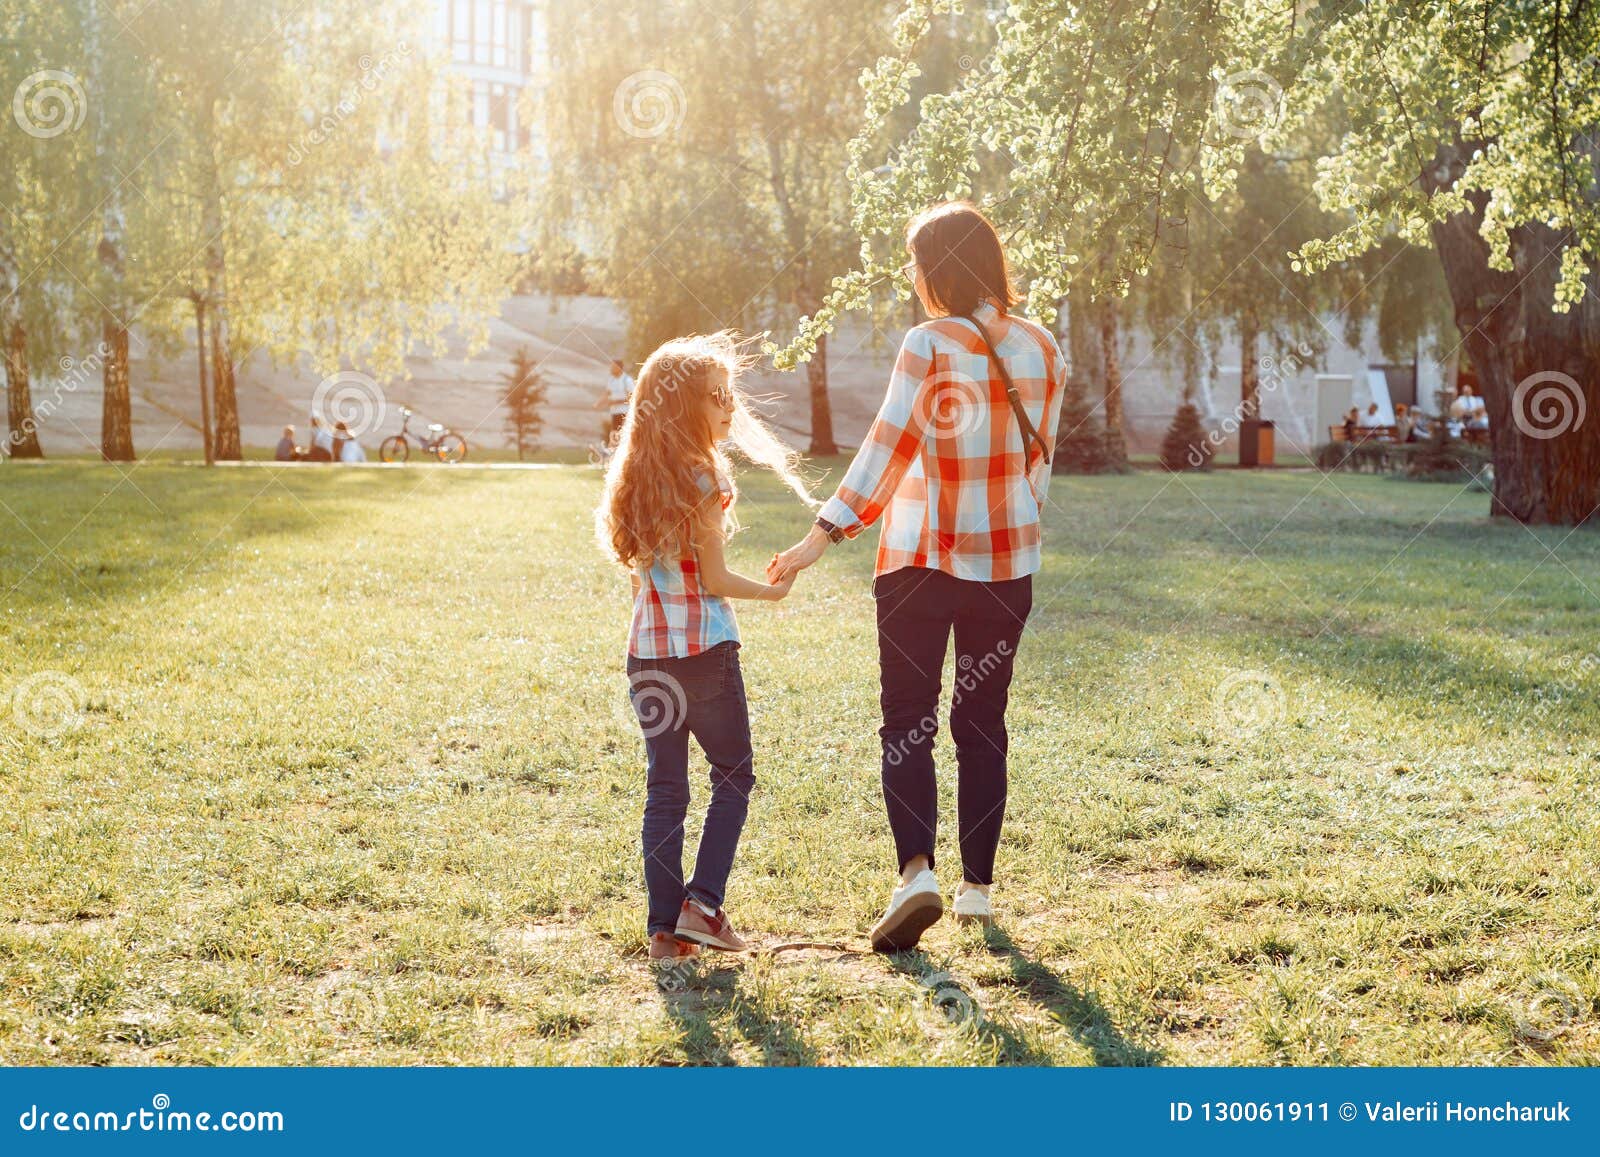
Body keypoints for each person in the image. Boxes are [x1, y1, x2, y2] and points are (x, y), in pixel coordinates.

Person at [769, 200, 1064, 952]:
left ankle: (915, 873)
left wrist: (821, 533)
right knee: (981, 723)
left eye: (915, 262)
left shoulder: (928, 343)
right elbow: (1040, 463)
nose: (911, 276)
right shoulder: (1043, 346)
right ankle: (977, 890)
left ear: (937, 268)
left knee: (909, 721)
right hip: (1006, 564)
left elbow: (888, 445)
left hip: (919, 560)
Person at [596, 332, 816, 961]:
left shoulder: (631, 477)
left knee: (665, 789)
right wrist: (774, 592)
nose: (729, 407)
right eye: (715, 397)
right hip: (706, 656)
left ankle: (666, 932)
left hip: (647, 657)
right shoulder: (705, 477)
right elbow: (715, 581)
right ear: (682, 406)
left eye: (730, 395)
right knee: (735, 776)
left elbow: (643, 579)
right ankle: (705, 906)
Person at [593, 359, 634, 446]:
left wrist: (616, 402)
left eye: (613, 367)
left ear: (619, 368)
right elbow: (607, 393)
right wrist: (598, 403)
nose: (611, 369)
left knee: (621, 435)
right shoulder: (611, 380)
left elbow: (633, 397)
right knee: (615, 434)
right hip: (615, 413)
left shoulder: (627, 380)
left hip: (625, 412)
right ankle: (612, 453)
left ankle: (613, 453)